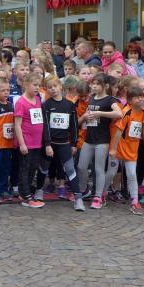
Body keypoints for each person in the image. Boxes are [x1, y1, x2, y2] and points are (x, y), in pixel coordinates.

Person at [77, 73, 122, 209]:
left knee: (99, 169)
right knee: (81, 166)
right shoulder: (91, 98)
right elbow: (86, 117)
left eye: (97, 84)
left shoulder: (110, 100)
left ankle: (98, 197)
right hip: (89, 138)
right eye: (93, 84)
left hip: (102, 140)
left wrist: (100, 113)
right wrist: (85, 117)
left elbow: (119, 113)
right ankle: (84, 190)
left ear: (106, 86)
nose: (94, 86)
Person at [108, 86, 144, 215]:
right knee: (111, 173)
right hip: (119, 147)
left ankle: (134, 201)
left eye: (141, 97)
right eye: (136, 98)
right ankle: (103, 193)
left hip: (132, 149)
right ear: (129, 100)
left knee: (132, 174)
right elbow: (118, 132)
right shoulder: (126, 112)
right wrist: (113, 149)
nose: (140, 99)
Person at [41, 76, 84, 210]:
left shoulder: (70, 105)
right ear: (47, 89)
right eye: (50, 87)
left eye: (55, 86)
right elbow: (45, 126)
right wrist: (47, 144)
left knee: (70, 169)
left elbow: (74, 126)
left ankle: (78, 198)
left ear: (61, 86)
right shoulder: (46, 105)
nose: (53, 89)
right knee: (44, 168)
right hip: (50, 144)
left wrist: (74, 143)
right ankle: (38, 191)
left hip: (65, 144)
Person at [13, 73, 46, 209]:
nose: (37, 87)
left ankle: (26, 192)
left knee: (33, 167)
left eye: (39, 85)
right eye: (35, 85)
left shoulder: (37, 99)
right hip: (26, 142)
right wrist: (22, 144)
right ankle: (26, 196)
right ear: (26, 85)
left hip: (37, 142)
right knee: (25, 168)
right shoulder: (21, 102)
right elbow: (17, 125)